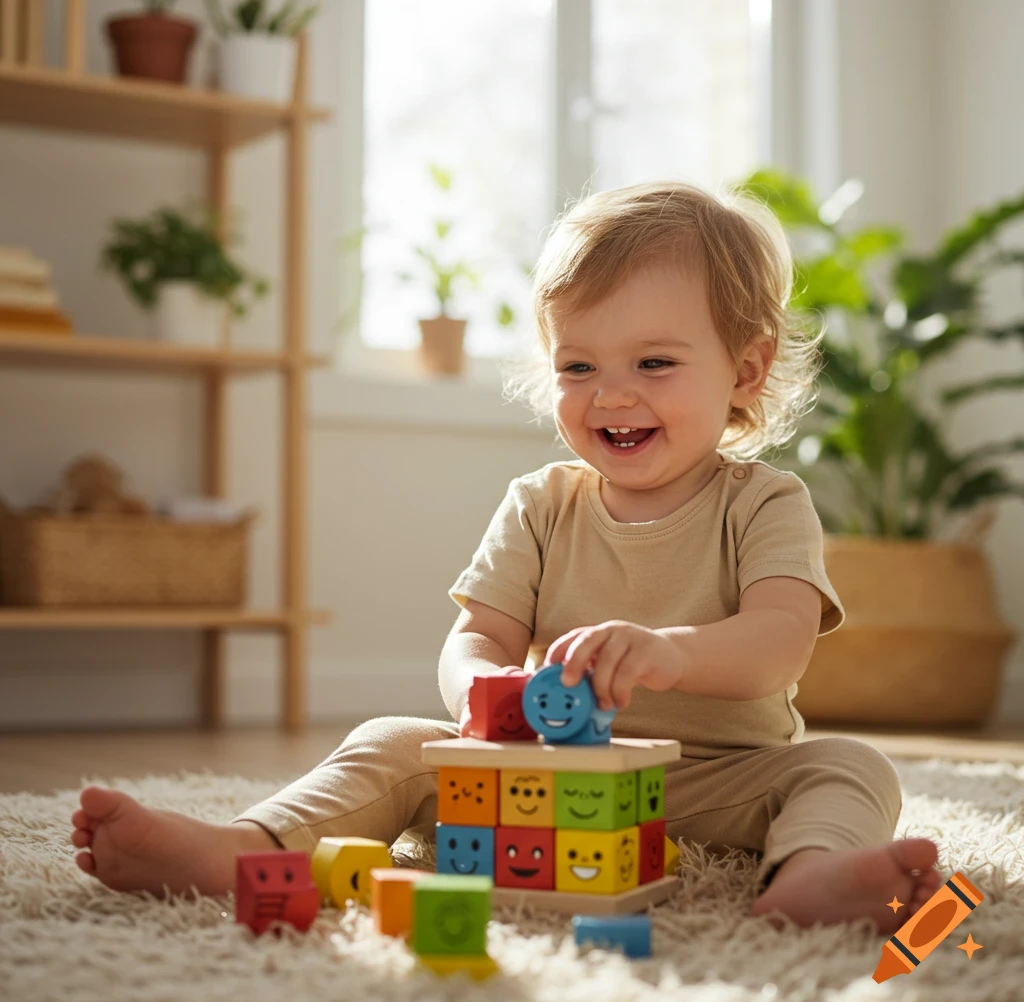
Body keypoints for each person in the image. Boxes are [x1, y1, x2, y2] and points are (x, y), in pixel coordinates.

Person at [69, 180, 941, 932]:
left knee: (848, 766)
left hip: (718, 782)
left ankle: (811, 877)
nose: (611, 393)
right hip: (545, 779)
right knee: (393, 742)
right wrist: (489, 699)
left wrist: (670, 654)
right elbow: (474, 636)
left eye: (654, 361)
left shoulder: (764, 502)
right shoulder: (540, 503)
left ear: (745, 372)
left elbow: (780, 642)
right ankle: (242, 848)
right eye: (577, 365)